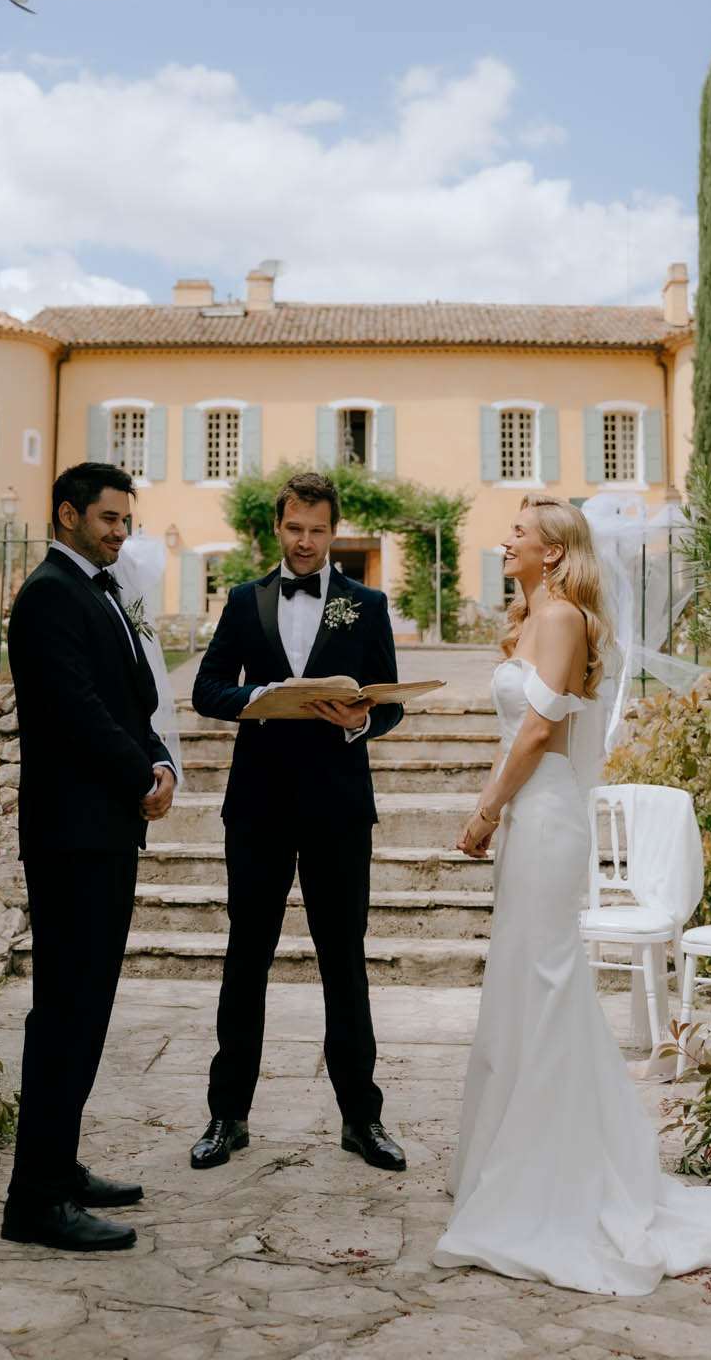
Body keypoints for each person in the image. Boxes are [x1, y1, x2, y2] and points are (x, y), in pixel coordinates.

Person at [434, 495, 711, 1295]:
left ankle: (551, 1179)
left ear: (554, 550)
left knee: (543, 985)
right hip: (529, 818)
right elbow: (524, 735)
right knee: (523, 984)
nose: (505, 541)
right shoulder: (537, 616)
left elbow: (538, 733)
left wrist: (482, 811)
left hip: (541, 819)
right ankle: (512, 1163)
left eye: (519, 533)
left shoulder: (564, 618)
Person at [188, 471, 406, 1173]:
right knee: (244, 958)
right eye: (294, 529)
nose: (305, 542)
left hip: (339, 808)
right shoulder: (244, 601)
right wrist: (263, 696)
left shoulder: (364, 604)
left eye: (317, 530)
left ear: (332, 531)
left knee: (343, 961)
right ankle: (227, 1116)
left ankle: (361, 1120)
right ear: (276, 529)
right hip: (256, 806)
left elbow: (391, 701)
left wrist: (363, 717)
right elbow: (207, 689)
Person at [1, 462, 178, 1253]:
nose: (120, 533)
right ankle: (34, 1199)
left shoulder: (97, 591)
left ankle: (59, 1168)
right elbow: (72, 709)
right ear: (67, 514)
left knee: (88, 1009)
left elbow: (128, 699)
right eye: (108, 519)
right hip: (71, 834)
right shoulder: (47, 595)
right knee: (64, 1012)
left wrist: (160, 760)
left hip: (105, 829)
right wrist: (139, 771)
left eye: (125, 521)